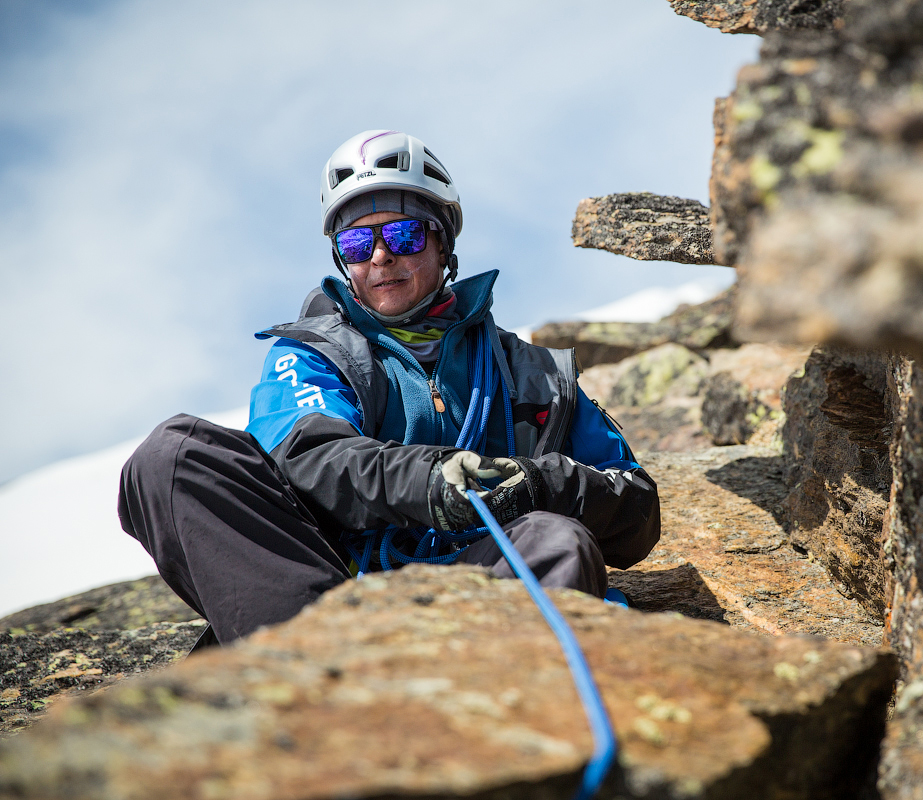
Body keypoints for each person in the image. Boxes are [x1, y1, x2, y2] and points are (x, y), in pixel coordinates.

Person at [118, 130, 660, 646]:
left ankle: (522, 706)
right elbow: (311, 456)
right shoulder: (311, 354)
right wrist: (430, 482)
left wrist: (535, 485)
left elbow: (636, 508)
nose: (380, 256)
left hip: (480, 578)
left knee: (554, 540)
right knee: (173, 454)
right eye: (357, 242)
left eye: (402, 234)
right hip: (335, 584)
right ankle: (317, 670)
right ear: (341, 258)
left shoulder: (532, 373)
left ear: (443, 242)